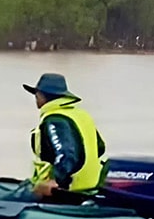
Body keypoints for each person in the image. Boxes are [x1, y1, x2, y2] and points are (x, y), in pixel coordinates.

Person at [7, 73, 106, 201]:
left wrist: (55, 180)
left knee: (7, 202)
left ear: (42, 96)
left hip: (65, 191)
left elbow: (66, 154)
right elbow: (100, 148)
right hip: (89, 187)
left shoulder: (55, 120)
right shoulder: (80, 115)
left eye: (36, 95)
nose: (36, 99)